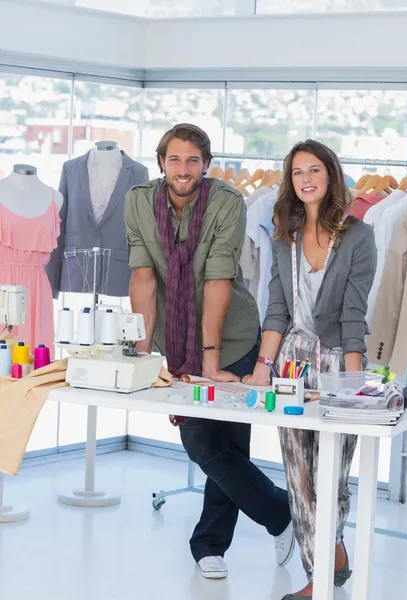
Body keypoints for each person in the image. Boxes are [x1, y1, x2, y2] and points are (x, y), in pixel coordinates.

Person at [124, 123, 293, 580]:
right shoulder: (139, 200)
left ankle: (210, 546)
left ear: (206, 164)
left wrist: (212, 360)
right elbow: (143, 277)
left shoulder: (226, 202)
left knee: (225, 446)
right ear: (161, 162)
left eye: (193, 160)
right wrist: (142, 353)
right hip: (175, 340)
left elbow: (218, 281)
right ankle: (281, 513)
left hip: (234, 338)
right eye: (175, 159)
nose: (183, 169)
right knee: (207, 446)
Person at [243, 139, 377, 599]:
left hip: (338, 363)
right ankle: (319, 577)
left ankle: (331, 553)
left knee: (330, 475)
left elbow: (355, 316)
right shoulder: (285, 233)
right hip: (291, 367)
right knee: (298, 476)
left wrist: (356, 388)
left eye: (314, 169)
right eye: (297, 172)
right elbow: (277, 309)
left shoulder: (359, 235)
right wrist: (264, 369)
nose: (306, 179)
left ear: (331, 174)